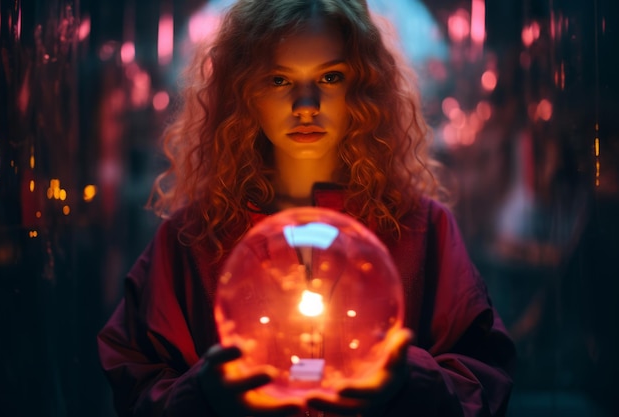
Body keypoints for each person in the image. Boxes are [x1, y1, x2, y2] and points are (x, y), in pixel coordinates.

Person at [97, 0, 516, 416]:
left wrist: (410, 380)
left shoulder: (421, 228)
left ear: (362, 88)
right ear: (243, 92)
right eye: (279, 80)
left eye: (330, 76)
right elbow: (135, 376)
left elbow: (482, 373)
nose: (306, 105)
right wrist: (203, 395)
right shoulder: (193, 237)